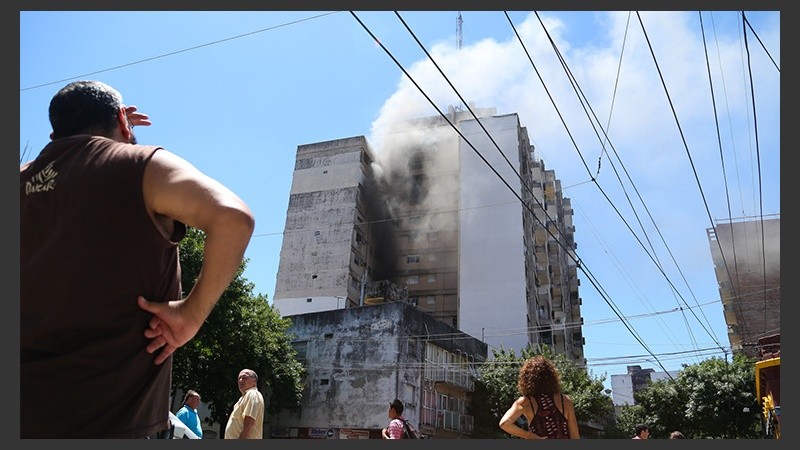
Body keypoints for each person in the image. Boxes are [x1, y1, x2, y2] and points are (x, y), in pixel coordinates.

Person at [20, 80, 255, 438]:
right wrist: (191, 315)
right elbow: (234, 218)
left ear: (54, 134)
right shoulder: (141, 166)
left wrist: (101, 135)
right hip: (114, 421)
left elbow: (59, 168)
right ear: (122, 119)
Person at [499, 355, 580, 439]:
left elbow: (504, 423)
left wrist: (530, 436)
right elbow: (575, 437)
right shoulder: (565, 400)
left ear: (526, 379)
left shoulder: (526, 402)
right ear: (552, 377)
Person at [225, 369, 265, 439]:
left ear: (254, 381)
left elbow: (249, 422)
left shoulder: (253, 394)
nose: (240, 381)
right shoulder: (243, 398)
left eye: (244, 378)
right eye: (239, 378)